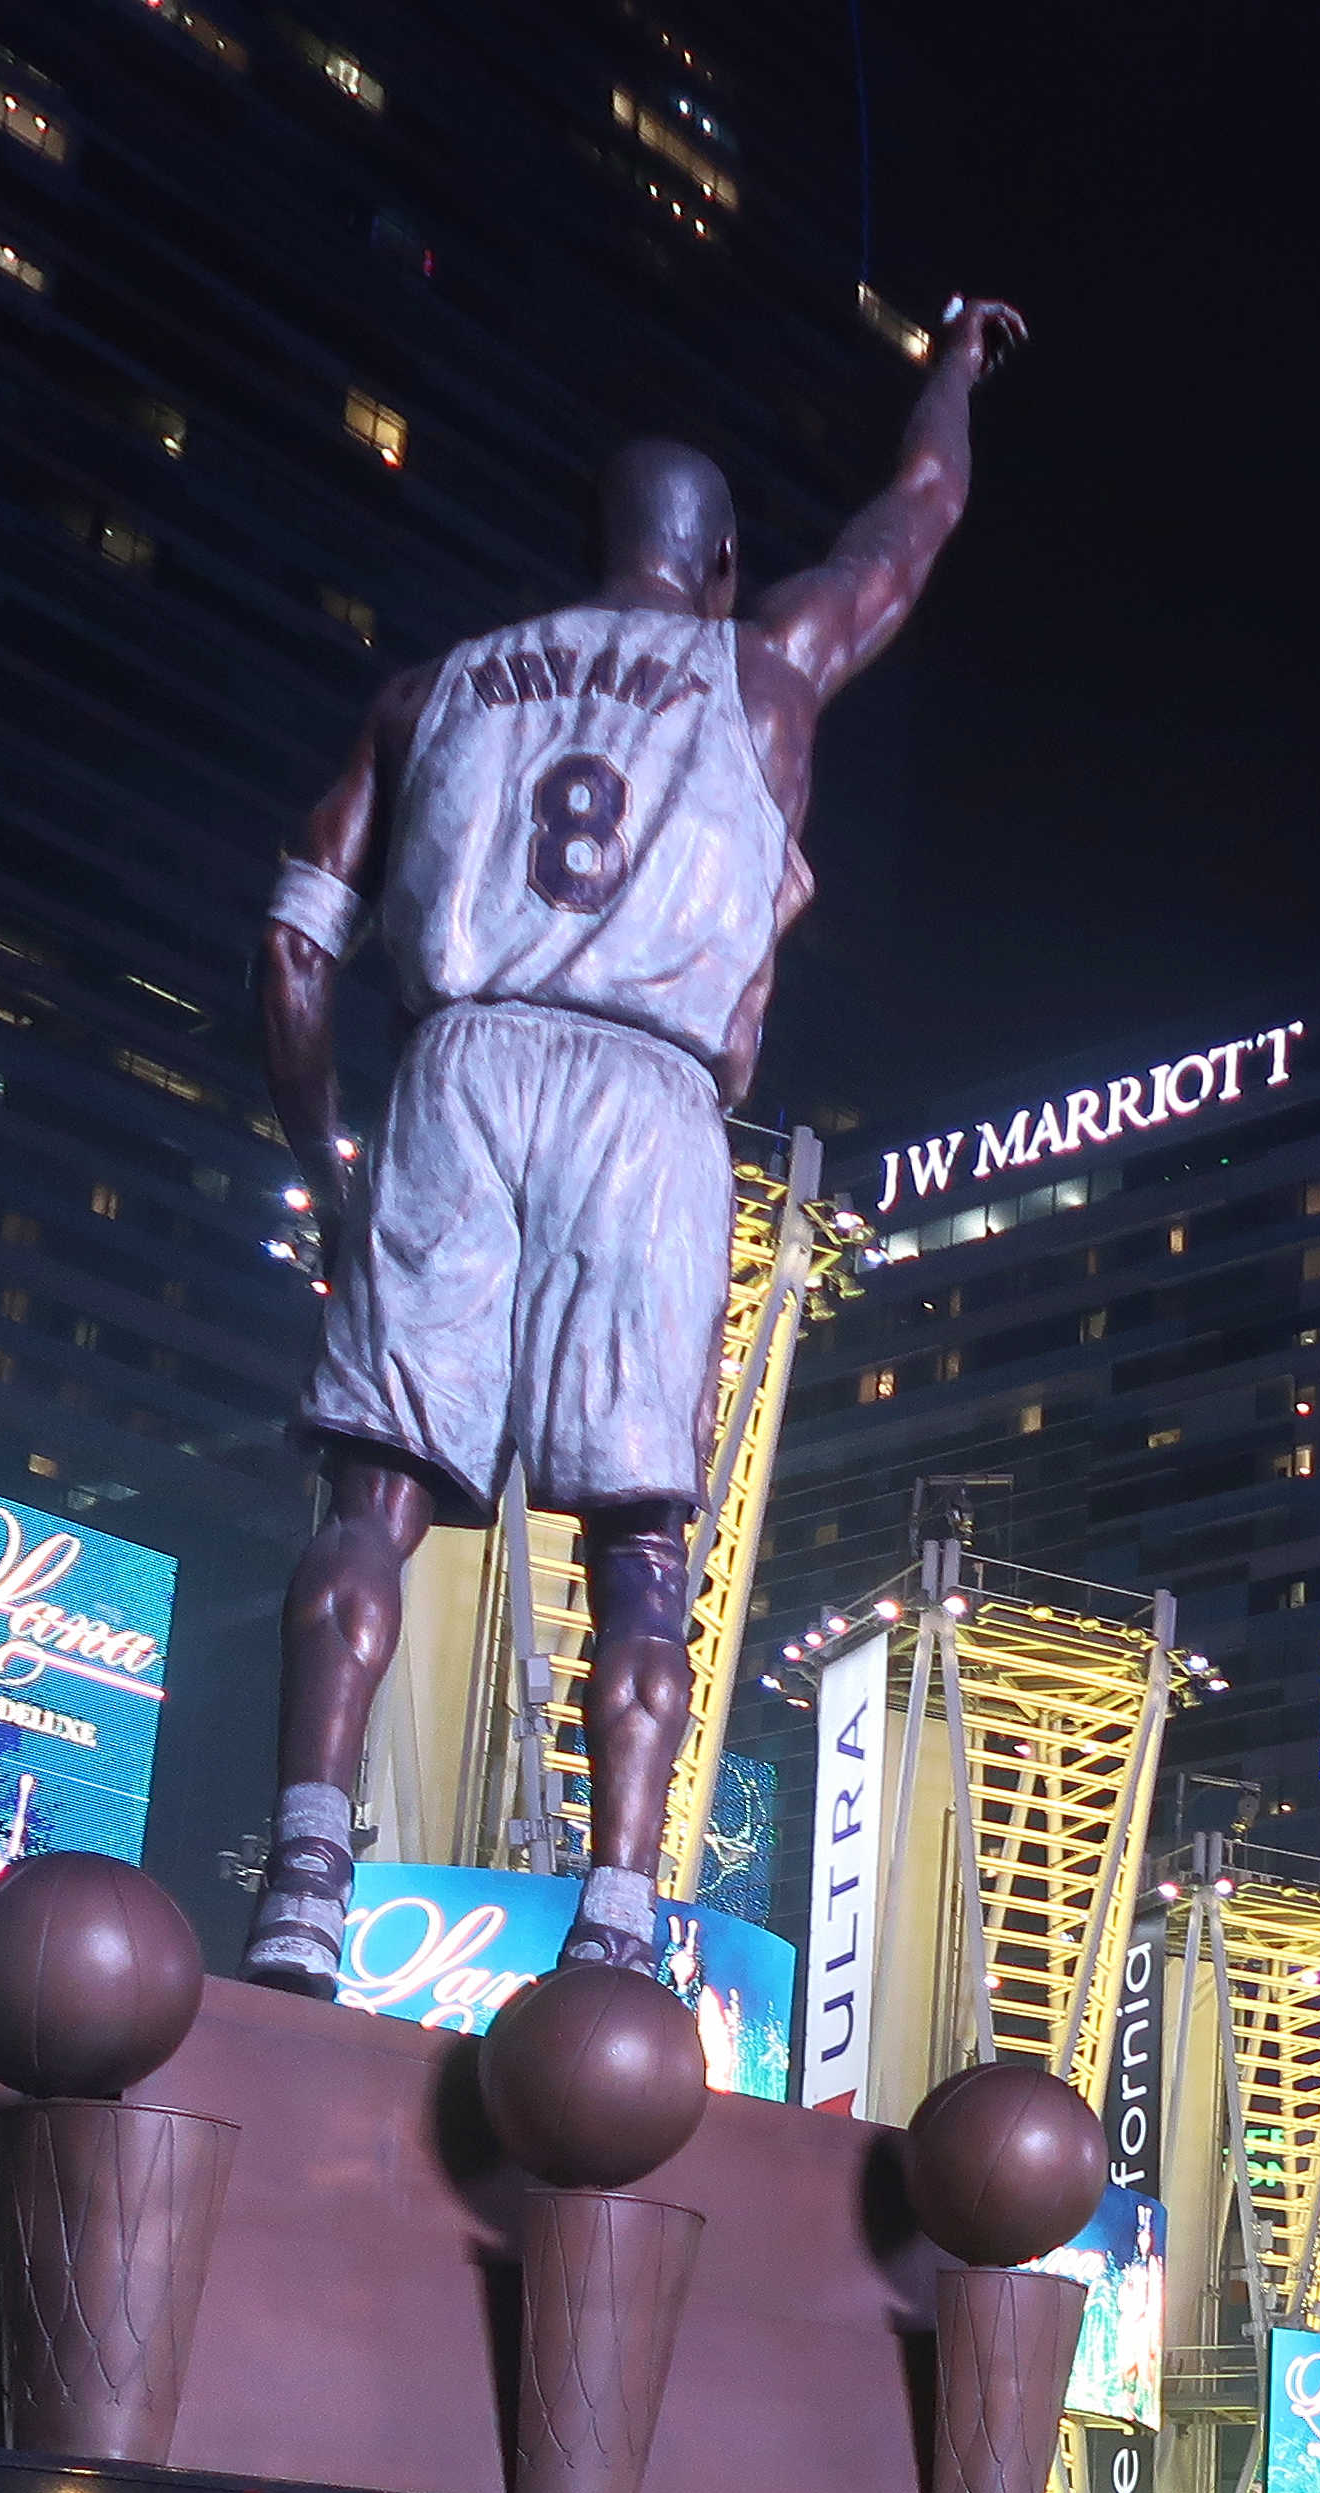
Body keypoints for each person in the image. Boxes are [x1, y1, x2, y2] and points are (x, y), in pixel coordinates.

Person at [242, 311, 1026, 1990]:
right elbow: (917, 517)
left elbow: (295, 950)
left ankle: (304, 1874)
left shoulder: (429, 690)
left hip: (457, 1068)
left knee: (371, 1502)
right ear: (724, 560)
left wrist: (332, 1165)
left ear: (589, 547)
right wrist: (956, 363)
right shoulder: (765, 666)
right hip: (647, 1099)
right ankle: (616, 1921)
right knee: (644, 1558)